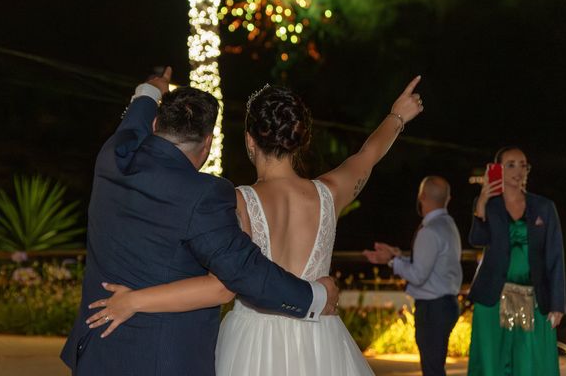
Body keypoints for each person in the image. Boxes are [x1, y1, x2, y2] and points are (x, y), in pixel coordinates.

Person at [84, 75, 424, 375]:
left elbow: (221, 283)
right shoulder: (332, 193)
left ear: (250, 141)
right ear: (300, 138)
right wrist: (398, 116)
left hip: (251, 340)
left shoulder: (236, 201)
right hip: (320, 336)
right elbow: (368, 155)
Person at [60, 67, 340, 376]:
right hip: (165, 363)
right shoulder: (204, 194)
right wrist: (315, 297)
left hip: (97, 356)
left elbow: (134, 120)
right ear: (206, 144)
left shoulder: (113, 157)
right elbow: (244, 271)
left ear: (156, 124)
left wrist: (152, 88)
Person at [466, 146, 566, 375]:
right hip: (492, 299)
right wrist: (481, 204)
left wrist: (558, 304)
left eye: (523, 165)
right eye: (511, 164)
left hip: (534, 298)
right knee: (493, 364)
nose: (518, 170)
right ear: (497, 169)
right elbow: (477, 238)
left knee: (533, 362)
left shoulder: (544, 207)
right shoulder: (489, 205)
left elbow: (555, 256)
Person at [364, 176, 462, 376]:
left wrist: (391, 262)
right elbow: (431, 265)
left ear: (422, 196)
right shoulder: (448, 225)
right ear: (448, 199)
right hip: (446, 304)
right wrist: (397, 256)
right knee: (435, 366)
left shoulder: (430, 230)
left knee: (432, 368)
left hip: (433, 308)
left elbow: (418, 276)